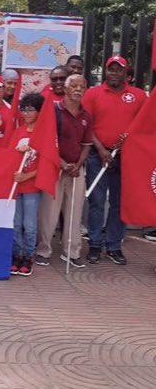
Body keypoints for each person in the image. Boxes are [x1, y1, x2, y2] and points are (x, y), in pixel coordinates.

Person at [81, 55, 146, 265]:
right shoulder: (93, 94)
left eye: (119, 70)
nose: (114, 73)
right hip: (97, 156)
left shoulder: (138, 95)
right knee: (97, 202)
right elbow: (86, 125)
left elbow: (144, 124)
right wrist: (100, 149)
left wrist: (130, 143)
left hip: (126, 158)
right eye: (111, 69)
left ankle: (114, 245)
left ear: (126, 73)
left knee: (119, 203)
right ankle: (94, 245)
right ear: (106, 71)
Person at [34, 74, 93, 268]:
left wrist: (78, 164)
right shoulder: (53, 110)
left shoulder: (86, 115)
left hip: (76, 169)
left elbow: (86, 144)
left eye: (81, 86)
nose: (78, 89)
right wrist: (61, 163)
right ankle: (44, 250)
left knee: (75, 212)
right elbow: (46, 141)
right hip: (55, 168)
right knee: (49, 211)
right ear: (66, 89)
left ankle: (72, 251)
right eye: (73, 85)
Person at [10, 92, 45, 277]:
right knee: (16, 223)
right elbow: (9, 157)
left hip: (31, 187)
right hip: (17, 186)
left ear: (39, 111)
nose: (26, 113)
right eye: (23, 109)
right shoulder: (19, 131)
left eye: (31, 109)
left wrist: (27, 176)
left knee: (29, 225)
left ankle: (28, 256)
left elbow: (47, 165)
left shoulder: (43, 134)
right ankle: (17, 254)